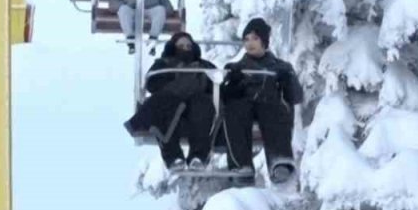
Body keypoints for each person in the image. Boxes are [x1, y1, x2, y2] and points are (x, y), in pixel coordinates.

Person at [220, 18, 304, 185]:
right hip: (244, 104)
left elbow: (295, 97)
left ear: (264, 41)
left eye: (255, 38)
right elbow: (223, 96)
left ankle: (279, 161)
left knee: (274, 110)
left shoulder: (281, 67)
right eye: (246, 39)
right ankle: (241, 166)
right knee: (234, 111)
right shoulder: (235, 67)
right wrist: (233, 84)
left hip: (269, 103)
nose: (250, 43)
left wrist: (288, 79)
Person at [125, 33, 216, 170]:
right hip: (172, 105)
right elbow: (152, 84)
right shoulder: (163, 64)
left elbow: (216, 83)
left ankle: (198, 156)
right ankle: (174, 158)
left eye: (188, 46)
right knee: (166, 104)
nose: (185, 49)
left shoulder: (204, 65)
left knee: (202, 104)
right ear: (173, 47)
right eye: (181, 46)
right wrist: (176, 84)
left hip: (196, 104)